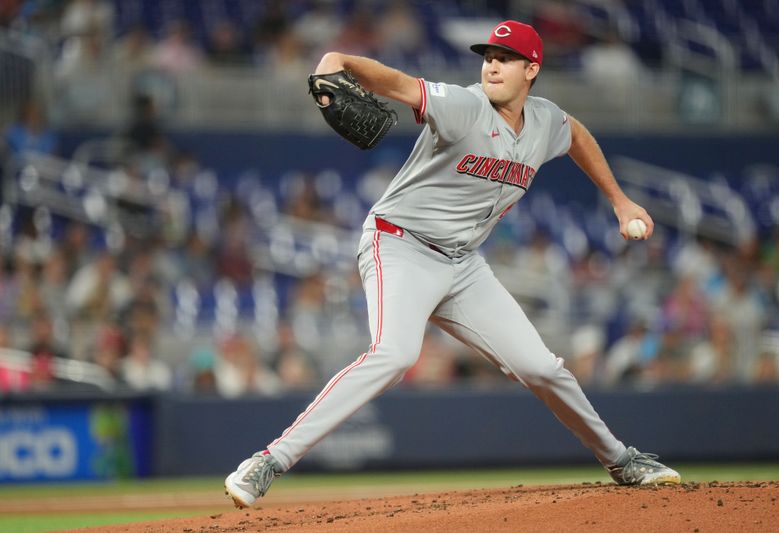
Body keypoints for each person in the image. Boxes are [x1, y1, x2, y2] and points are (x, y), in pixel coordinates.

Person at [225, 20, 680, 508]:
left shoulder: (545, 121)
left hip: (463, 266)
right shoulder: (464, 105)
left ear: (532, 68)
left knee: (542, 368)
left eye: (504, 58)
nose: (492, 65)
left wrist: (619, 201)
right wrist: (339, 63)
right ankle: (268, 461)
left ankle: (621, 460)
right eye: (488, 56)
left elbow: (577, 136)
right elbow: (396, 83)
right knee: (395, 355)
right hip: (399, 245)